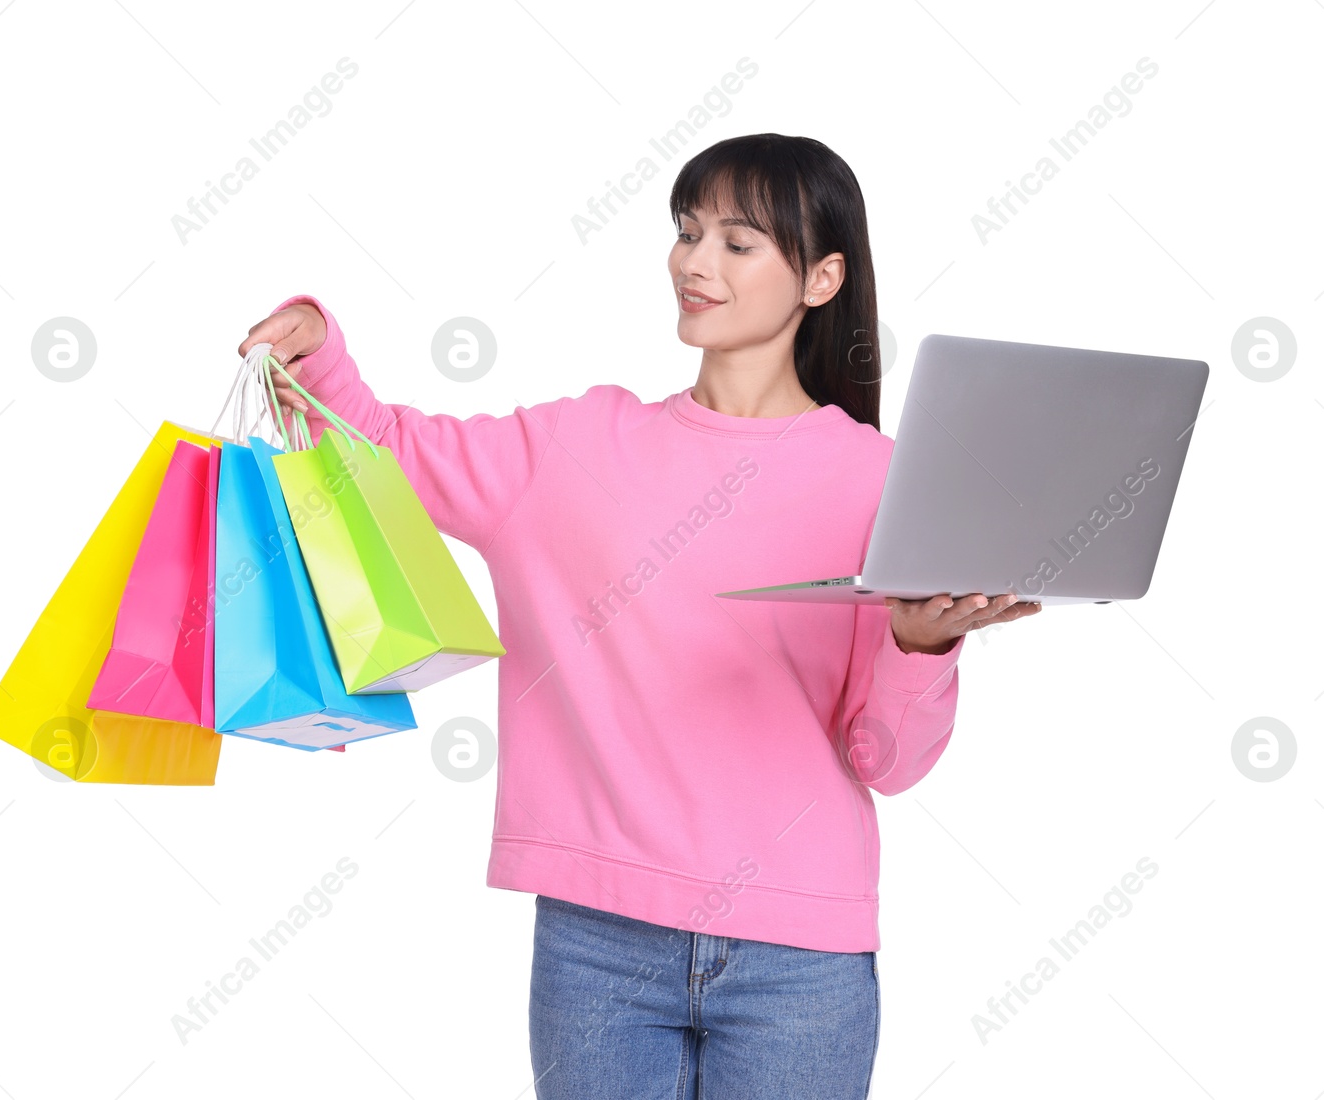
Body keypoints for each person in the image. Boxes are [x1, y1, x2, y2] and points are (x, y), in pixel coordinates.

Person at [236, 132, 1041, 1099]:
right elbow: (381, 446)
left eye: (738, 244)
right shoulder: (574, 447)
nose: (694, 262)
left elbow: (889, 762)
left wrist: (924, 643)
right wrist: (319, 344)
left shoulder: (887, 485)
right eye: (688, 232)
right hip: (598, 945)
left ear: (822, 279)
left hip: (803, 959)